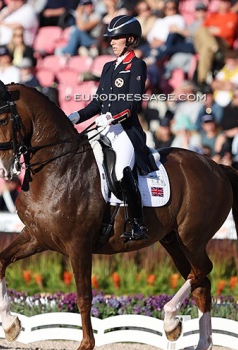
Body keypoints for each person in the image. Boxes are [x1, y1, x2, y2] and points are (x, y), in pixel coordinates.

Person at [67, 15, 157, 242]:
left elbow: (134, 102)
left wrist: (111, 118)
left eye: (116, 38)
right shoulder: (108, 67)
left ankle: (138, 224)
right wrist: (77, 116)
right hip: (104, 127)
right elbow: (98, 102)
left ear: (130, 39)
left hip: (125, 130)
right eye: (111, 38)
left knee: (120, 171)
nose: (112, 42)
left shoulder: (136, 65)